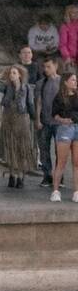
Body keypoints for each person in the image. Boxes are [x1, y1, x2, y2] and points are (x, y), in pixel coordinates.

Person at [0, 65, 36, 190]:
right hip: (8, 118)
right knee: (10, 147)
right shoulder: (7, 87)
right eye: (10, 73)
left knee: (21, 148)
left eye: (14, 73)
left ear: (20, 74)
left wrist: (35, 119)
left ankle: (20, 176)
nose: (12, 75)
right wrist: (0, 78)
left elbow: (30, 104)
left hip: (21, 119)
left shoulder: (26, 88)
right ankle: (12, 175)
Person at [50, 72, 78, 202]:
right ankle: (55, 191)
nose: (75, 82)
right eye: (73, 80)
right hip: (65, 129)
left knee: (76, 162)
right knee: (61, 162)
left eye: (75, 80)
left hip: (77, 127)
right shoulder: (59, 97)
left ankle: (76, 192)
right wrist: (62, 120)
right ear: (66, 82)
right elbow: (54, 114)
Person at [37, 57, 61, 186]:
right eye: (44, 67)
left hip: (59, 122)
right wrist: (37, 119)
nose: (46, 69)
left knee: (59, 151)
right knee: (44, 149)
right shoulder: (41, 83)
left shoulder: (62, 81)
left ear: (55, 66)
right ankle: (47, 176)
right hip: (45, 121)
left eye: (48, 67)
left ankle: (59, 176)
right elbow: (39, 102)